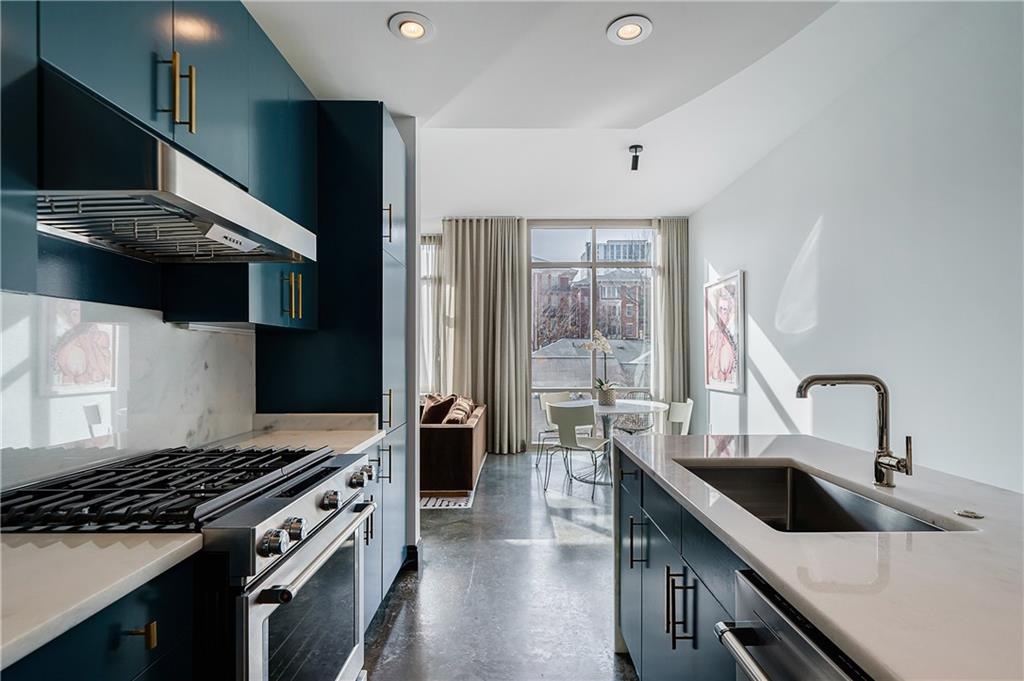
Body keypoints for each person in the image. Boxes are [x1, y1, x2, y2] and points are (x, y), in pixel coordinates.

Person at [706, 284, 738, 385]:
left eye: (725, 310)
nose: (723, 313)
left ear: (729, 312)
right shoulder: (712, 334)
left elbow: (725, 367)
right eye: (720, 309)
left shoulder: (731, 337)